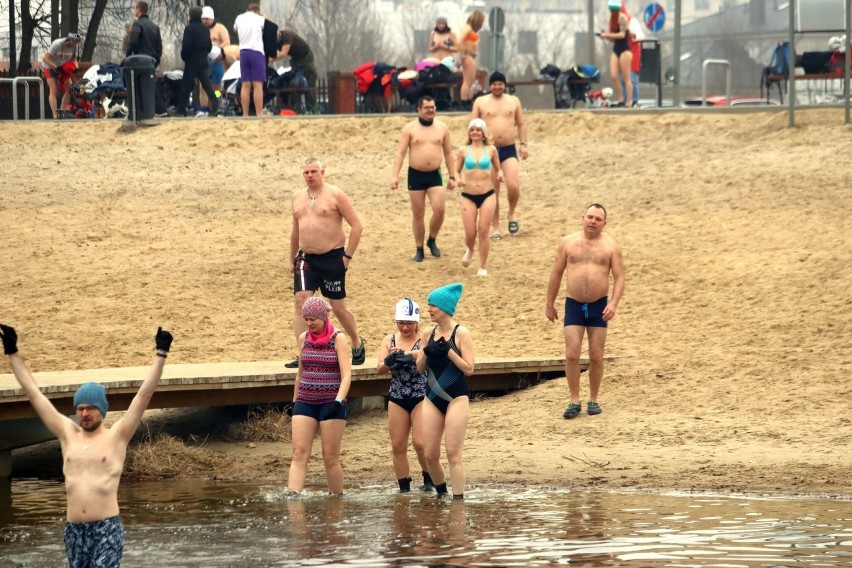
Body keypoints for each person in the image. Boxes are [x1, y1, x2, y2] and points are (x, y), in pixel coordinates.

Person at [0, 323, 173, 567]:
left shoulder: (117, 436)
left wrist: (161, 355)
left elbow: (143, 396)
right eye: (80, 408)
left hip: (106, 529)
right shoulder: (67, 433)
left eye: (90, 408)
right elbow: (34, 394)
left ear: (101, 410)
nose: (84, 413)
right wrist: (12, 353)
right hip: (74, 530)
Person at [545, 204, 625, 419]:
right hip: (573, 304)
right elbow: (556, 273)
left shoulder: (611, 246)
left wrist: (614, 303)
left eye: (598, 219)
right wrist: (549, 303)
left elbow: (619, 277)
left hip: (599, 305)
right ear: (583, 218)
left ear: (604, 223)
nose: (593, 221)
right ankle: (574, 400)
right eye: (590, 217)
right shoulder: (568, 242)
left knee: (596, 356)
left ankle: (594, 399)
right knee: (572, 354)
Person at [287, 157, 366, 369]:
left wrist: (347, 257)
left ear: (323, 172)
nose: (310, 175)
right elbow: (296, 230)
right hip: (306, 258)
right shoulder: (296, 197)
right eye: (306, 172)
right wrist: (292, 257)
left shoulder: (336, 195)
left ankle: (357, 342)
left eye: (314, 171)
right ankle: (304, 353)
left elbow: (357, 226)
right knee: (300, 301)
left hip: (332, 256)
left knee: (337, 307)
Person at [286, 296, 351, 497]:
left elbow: (347, 374)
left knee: (330, 456)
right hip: (306, 401)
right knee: (299, 453)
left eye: (313, 318)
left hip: (331, 404)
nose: (309, 323)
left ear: (324, 317)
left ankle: (336, 498)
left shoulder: (338, 338)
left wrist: (338, 401)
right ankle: (293, 499)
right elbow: (300, 372)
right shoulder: (303, 338)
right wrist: (295, 400)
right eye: (307, 318)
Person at [415, 283, 475, 499]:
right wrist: (425, 353)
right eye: (428, 304)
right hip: (431, 397)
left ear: (445, 308)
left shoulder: (461, 333)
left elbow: (469, 368)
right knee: (429, 454)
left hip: (456, 398)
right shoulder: (426, 333)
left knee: (453, 453)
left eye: (433, 305)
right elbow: (420, 368)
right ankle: (441, 495)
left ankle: (458, 501)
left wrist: (449, 351)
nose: (429, 309)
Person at [390, 96, 458, 262]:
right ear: (419, 110)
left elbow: (448, 154)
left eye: (433, 107)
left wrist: (453, 175)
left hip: (435, 174)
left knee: (439, 209)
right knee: (418, 214)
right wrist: (395, 176)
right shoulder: (410, 129)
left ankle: (432, 239)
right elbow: (400, 153)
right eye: (427, 107)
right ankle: (419, 248)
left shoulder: (442, 128)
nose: (430, 110)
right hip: (416, 175)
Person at [377, 298, 434, 493]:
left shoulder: (423, 340)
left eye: (409, 323)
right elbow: (380, 369)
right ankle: (404, 487)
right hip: (397, 395)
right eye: (401, 323)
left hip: (420, 394)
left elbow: (427, 359)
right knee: (398, 445)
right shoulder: (389, 340)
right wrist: (389, 360)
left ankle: (429, 479)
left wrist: (408, 356)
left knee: (420, 443)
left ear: (417, 322)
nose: (405, 328)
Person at [471, 71, 528, 239]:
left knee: (513, 185)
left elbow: (521, 124)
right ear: (490, 85)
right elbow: (472, 126)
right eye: (494, 84)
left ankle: (511, 214)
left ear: (504, 85)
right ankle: (495, 227)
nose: (497, 86)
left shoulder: (513, 101)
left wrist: (523, 145)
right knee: (493, 191)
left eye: (500, 84)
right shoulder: (481, 102)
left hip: (509, 148)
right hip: (488, 151)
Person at [455, 118, 503, 277]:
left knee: (483, 230)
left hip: (487, 194)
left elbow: (498, 168)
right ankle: (470, 248)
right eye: (472, 129)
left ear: (483, 133)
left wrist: (501, 175)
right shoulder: (463, 150)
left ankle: (482, 266)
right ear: (469, 133)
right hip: (468, 194)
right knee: (470, 233)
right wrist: (458, 179)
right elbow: (456, 171)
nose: (475, 132)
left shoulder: (491, 150)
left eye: (478, 129)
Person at [169, 6, 218, 117]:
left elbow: (187, 46)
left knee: (186, 85)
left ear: (190, 16)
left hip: (192, 61)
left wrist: (184, 57)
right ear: (200, 16)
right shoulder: (205, 29)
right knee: (207, 85)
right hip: (203, 60)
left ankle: (181, 109)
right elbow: (209, 47)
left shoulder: (189, 29)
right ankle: (216, 106)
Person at [597, 0, 633, 108]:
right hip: (616, 48)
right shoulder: (612, 19)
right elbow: (613, 39)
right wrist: (605, 36)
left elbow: (622, 35)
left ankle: (629, 101)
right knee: (613, 76)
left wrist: (607, 35)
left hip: (624, 49)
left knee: (626, 78)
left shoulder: (622, 18)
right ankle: (620, 98)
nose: (610, 11)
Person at [233, 3, 266, 117]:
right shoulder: (260, 19)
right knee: (257, 85)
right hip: (256, 52)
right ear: (257, 11)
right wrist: (263, 17)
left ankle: (245, 114)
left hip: (243, 52)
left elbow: (235, 29)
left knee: (245, 84)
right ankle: (259, 113)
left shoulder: (239, 18)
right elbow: (267, 28)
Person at [275, 29, 318, 110]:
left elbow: (283, 53)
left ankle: (312, 109)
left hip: (305, 57)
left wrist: (270, 59)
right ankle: (297, 108)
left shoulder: (286, 36)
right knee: (296, 83)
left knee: (310, 82)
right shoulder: (274, 42)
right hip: (295, 60)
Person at [43, 32, 82, 119]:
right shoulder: (57, 44)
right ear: (69, 40)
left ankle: (62, 111)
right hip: (50, 67)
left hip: (62, 67)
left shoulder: (74, 47)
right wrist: (56, 68)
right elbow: (45, 58)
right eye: (74, 42)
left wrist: (76, 67)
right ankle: (55, 115)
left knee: (70, 89)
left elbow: (74, 59)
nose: (75, 45)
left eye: (77, 43)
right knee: (53, 90)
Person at [199, 6, 231, 111]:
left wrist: (218, 51)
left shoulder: (220, 28)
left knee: (217, 86)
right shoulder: (200, 29)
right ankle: (204, 108)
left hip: (217, 60)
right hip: (204, 61)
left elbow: (227, 42)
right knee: (202, 87)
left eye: (206, 19)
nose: (204, 21)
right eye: (203, 19)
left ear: (212, 18)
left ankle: (217, 105)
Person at [457, 10, 484, 109]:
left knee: (470, 81)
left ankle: (467, 100)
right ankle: (464, 102)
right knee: (467, 81)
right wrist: (463, 54)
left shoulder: (470, 29)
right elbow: (460, 41)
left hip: (471, 55)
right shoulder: (467, 28)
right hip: (467, 55)